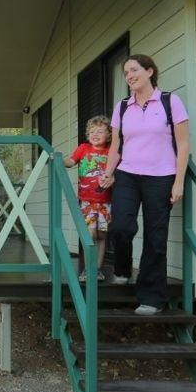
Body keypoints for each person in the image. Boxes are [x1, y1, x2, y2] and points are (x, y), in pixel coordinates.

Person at [98, 54, 189, 315]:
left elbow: (183, 145)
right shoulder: (123, 106)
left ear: (150, 71)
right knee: (121, 226)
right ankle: (123, 268)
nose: (129, 76)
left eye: (134, 70)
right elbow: (116, 145)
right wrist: (108, 172)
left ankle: (151, 297)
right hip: (127, 173)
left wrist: (178, 182)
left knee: (155, 236)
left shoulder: (171, 102)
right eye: (126, 72)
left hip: (162, 176)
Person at [64, 115, 112, 282]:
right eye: (92, 131)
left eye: (100, 131)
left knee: (101, 235)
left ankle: (97, 269)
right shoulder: (83, 148)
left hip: (106, 201)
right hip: (87, 200)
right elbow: (70, 161)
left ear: (109, 134)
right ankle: (87, 269)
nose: (95, 134)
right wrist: (58, 159)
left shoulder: (110, 152)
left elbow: (118, 172)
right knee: (89, 234)